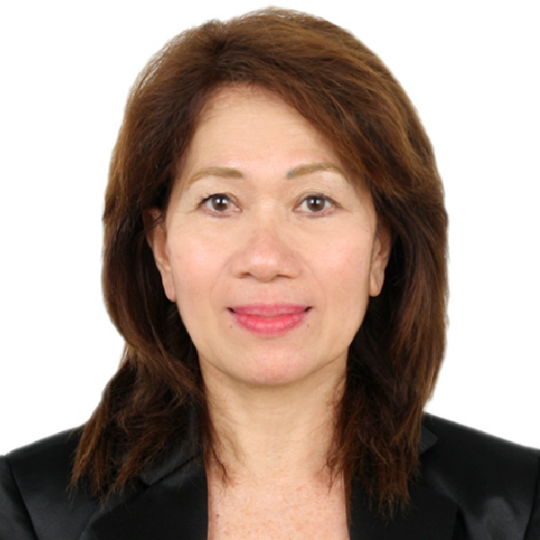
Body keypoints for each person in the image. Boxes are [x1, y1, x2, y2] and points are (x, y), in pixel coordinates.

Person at [0, 8, 538, 540]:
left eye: (315, 202)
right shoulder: (31, 511)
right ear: (161, 249)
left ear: (380, 249)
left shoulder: (518, 507)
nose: (265, 259)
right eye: (219, 202)